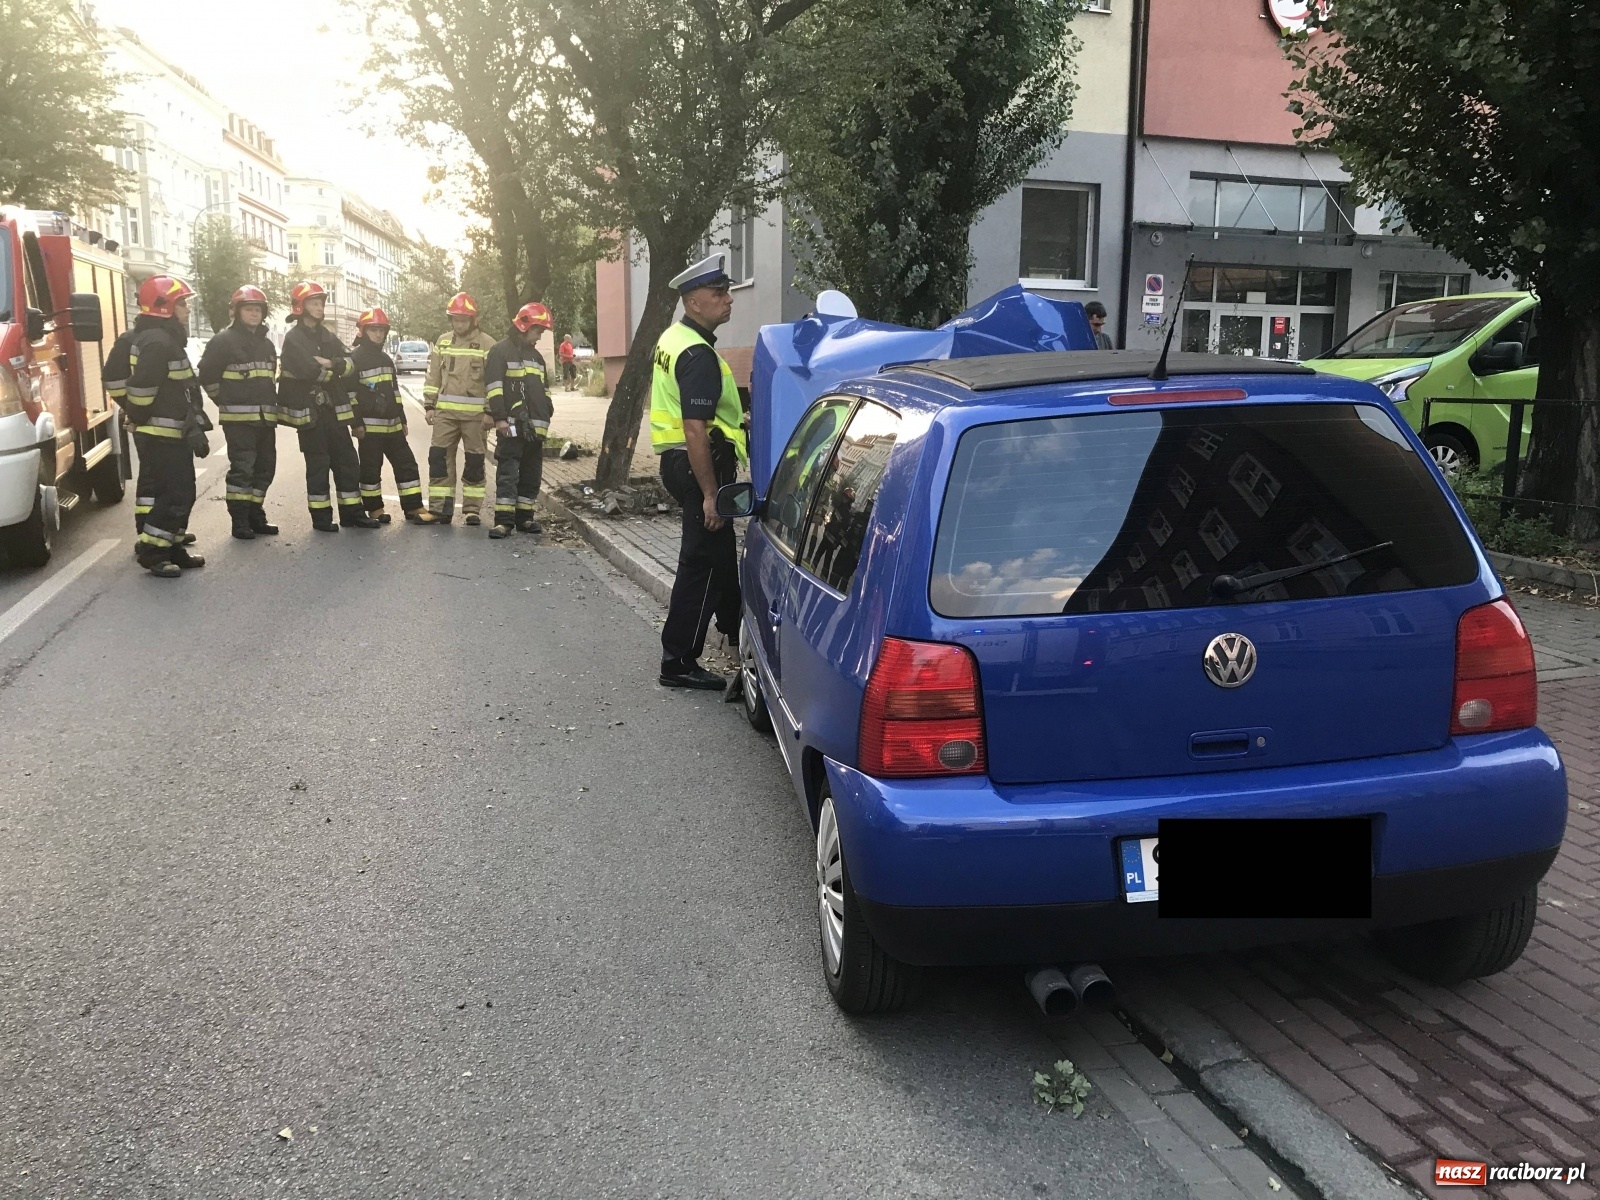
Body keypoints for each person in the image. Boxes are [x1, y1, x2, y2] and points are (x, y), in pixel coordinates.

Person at [651, 252, 747, 690]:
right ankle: (678, 661)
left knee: (719, 552)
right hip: (701, 465)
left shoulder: (674, 338)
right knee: (701, 563)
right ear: (694, 302)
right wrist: (711, 494)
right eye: (719, 292)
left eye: (727, 291)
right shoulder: (697, 354)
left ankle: (735, 628)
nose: (728, 299)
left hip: (677, 461)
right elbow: (695, 427)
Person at [113, 275, 209, 576]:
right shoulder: (158, 342)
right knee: (176, 494)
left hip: (172, 433)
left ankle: (172, 548)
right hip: (161, 435)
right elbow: (142, 388)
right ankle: (154, 552)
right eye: (182, 304)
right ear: (164, 306)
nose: (187, 310)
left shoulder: (163, 338)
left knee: (181, 492)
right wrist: (137, 416)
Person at [278, 281, 379, 532]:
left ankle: (352, 514)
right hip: (310, 415)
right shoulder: (293, 338)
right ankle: (321, 518)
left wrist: (331, 364)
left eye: (321, 303)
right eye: (314, 303)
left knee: (348, 462)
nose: (320, 307)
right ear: (301, 306)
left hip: (333, 412)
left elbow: (351, 364)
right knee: (318, 466)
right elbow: (308, 371)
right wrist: (333, 370)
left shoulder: (328, 336)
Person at [198, 284, 280, 539]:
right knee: (243, 470)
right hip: (239, 421)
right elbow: (207, 377)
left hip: (265, 420)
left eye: (258, 309)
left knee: (265, 468)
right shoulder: (223, 341)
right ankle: (240, 521)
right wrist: (224, 401)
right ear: (236, 311)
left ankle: (256, 514)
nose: (254, 314)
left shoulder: (266, 345)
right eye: (249, 309)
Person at [349, 307, 438, 525]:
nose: (378, 334)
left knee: (407, 464)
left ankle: (414, 507)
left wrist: (402, 419)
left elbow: (395, 393)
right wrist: (356, 423)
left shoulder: (387, 360)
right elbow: (350, 396)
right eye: (374, 330)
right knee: (371, 470)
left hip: (393, 427)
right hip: (369, 430)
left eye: (382, 330)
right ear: (363, 331)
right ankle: (375, 509)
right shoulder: (354, 360)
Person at [421, 292, 496, 524]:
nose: (459, 324)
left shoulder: (487, 344)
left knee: (474, 461)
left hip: (475, 417)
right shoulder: (443, 342)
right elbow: (433, 375)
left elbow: (494, 382)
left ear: (473, 320)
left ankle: (472, 510)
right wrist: (429, 405)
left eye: (463, 320)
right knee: (439, 459)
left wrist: (490, 411)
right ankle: (439, 509)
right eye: (455, 319)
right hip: (445, 414)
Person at [485, 301, 555, 539]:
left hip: (535, 428)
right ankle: (504, 522)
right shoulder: (500, 351)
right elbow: (494, 388)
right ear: (525, 326)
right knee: (508, 473)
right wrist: (499, 418)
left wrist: (548, 408)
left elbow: (544, 389)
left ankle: (524, 518)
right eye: (538, 331)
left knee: (531, 474)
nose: (539, 336)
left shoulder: (537, 358)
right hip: (511, 427)